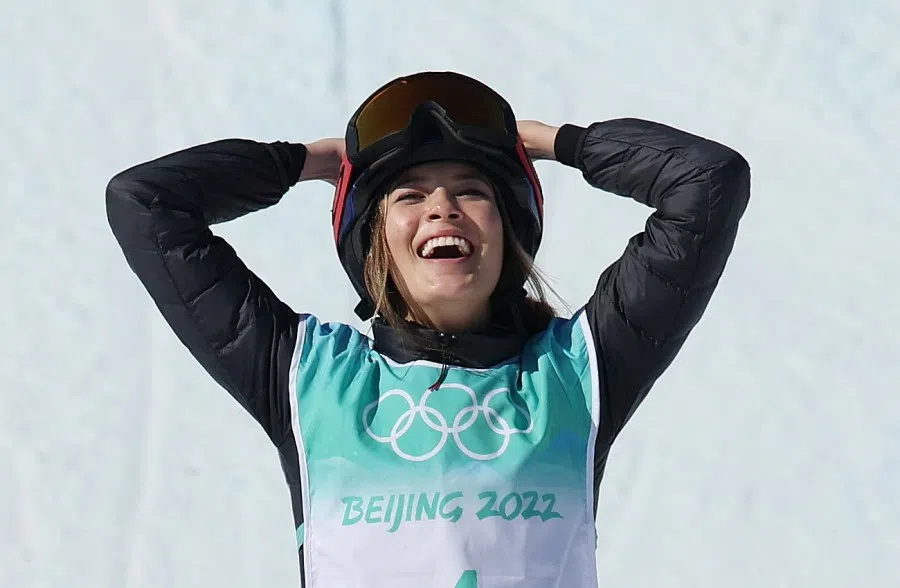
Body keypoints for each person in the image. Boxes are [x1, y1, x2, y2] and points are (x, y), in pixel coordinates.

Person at [106, 71, 750, 587]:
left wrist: (558, 143)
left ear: (509, 234)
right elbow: (145, 203)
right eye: (409, 196)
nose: (441, 206)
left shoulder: (579, 374)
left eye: (473, 191)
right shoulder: (307, 380)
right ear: (374, 243)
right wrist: (305, 161)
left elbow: (707, 182)